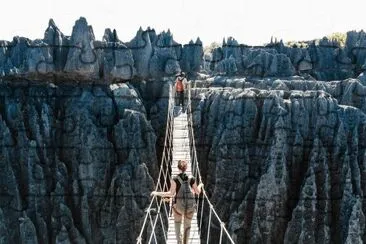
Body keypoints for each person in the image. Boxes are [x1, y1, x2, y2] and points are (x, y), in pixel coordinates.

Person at [151, 160, 203, 244]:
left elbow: (171, 194)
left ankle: (179, 242)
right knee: (187, 226)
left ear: (178, 168)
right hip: (190, 207)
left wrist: (157, 193)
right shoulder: (191, 178)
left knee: (177, 223)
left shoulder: (174, 179)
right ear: (186, 168)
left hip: (178, 207)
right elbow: (197, 192)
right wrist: (200, 185)